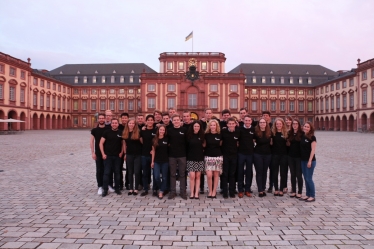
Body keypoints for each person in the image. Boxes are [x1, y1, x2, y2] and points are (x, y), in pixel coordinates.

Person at [99, 118, 124, 197]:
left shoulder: (121, 132)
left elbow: (123, 143)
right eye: (113, 123)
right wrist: (103, 154)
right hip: (108, 156)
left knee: (117, 173)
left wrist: (122, 152)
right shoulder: (106, 132)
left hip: (117, 156)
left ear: (118, 124)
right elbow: (101, 143)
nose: (114, 124)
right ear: (111, 124)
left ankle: (117, 189)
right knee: (106, 173)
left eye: (115, 123)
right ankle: (105, 190)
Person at [90, 113, 114, 195]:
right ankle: (100, 186)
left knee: (109, 170)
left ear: (105, 119)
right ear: (98, 119)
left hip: (108, 152)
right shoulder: (94, 130)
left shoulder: (108, 128)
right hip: (98, 153)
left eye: (102, 118)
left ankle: (109, 185)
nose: (101, 120)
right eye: (99, 118)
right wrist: (92, 152)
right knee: (99, 170)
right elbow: (91, 141)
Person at [167, 114, 187, 200]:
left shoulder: (184, 130)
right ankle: (173, 192)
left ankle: (183, 192)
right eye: (174, 120)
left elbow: (187, 142)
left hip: (182, 155)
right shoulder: (169, 130)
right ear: (172, 121)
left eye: (177, 120)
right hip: (172, 155)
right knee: (172, 174)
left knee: (182, 174)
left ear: (180, 120)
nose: (176, 121)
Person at [221, 117, 240, 198]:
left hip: (234, 156)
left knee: (232, 174)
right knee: (225, 174)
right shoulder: (223, 131)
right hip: (225, 156)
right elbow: (220, 143)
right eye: (230, 124)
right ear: (227, 124)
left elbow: (239, 143)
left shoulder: (238, 132)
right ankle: (225, 192)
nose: (231, 125)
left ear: (235, 124)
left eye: (233, 124)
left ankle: (231, 191)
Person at [253, 117, 272, 197]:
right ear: (259, 124)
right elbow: (252, 141)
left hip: (268, 154)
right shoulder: (256, 132)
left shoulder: (270, 132)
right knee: (259, 171)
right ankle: (260, 190)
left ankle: (263, 188)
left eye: (264, 122)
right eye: (261, 122)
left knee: (265, 171)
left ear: (266, 123)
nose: (262, 124)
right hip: (258, 154)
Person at [122, 119, 142, 196]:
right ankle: (131, 188)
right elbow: (124, 144)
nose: (131, 124)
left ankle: (136, 188)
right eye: (130, 123)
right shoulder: (125, 133)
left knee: (136, 172)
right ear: (128, 124)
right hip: (129, 154)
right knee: (130, 172)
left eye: (133, 123)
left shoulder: (138, 133)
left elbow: (142, 142)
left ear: (135, 124)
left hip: (138, 154)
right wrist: (125, 153)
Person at [186, 121, 205, 199]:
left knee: (198, 176)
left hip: (199, 158)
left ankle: (196, 193)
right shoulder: (189, 136)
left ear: (200, 127)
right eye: (195, 126)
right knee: (192, 176)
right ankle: (192, 193)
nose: (196, 128)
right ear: (192, 127)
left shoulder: (202, 136)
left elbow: (204, 146)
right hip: (191, 158)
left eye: (198, 126)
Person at [204, 119, 222, 198]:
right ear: (209, 126)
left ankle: (214, 191)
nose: (212, 126)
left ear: (216, 126)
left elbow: (222, 145)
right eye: (211, 125)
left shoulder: (220, 135)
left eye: (214, 125)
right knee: (209, 175)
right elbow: (204, 145)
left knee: (216, 175)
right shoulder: (206, 135)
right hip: (208, 157)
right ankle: (210, 190)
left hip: (217, 157)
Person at [237, 114, 255, 198]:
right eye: (246, 120)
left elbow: (255, 140)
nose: (247, 122)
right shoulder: (239, 129)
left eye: (249, 120)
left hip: (250, 154)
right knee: (240, 172)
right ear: (243, 121)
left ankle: (247, 189)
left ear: (251, 121)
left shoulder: (253, 129)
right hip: (241, 153)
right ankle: (240, 190)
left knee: (249, 172)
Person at [270, 118, 288, 196]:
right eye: (277, 124)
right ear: (275, 125)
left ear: (283, 124)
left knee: (283, 173)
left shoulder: (286, 133)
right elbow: (270, 144)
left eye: (280, 124)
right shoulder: (273, 133)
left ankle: (281, 189)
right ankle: (276, 189)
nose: (278, 125)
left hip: (284, 155)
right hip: (275, 155)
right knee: (275, 173)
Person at [299, 121, 317, 202]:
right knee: (306, 178)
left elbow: (313, 150)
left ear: (310, 128)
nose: (306, 128)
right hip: (302, 160)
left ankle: (312, 196)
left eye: (307, 127)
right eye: (305, 126)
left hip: (310, 161)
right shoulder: (302, 136)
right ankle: (307, 194)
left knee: (309, 178)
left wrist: (309, 161)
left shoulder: (312, 137)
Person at [139, 115, 157, 196]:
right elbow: (141, 140)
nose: (150, 121)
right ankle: (145, 189)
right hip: (144, 154)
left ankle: (155, 189)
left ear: (153, 121)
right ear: (146, 121)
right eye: (148, 120)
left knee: (155, 173)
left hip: (154, 155)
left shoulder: (156, 130)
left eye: (151, 120)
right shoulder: (143, 130)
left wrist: (153, 150)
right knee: (145, 173)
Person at [151, 125, 169, 199]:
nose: (162, 131)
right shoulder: (155, 139)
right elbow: (153, 151)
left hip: (165, 161)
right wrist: (152, 161)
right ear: (158, 131)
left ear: (165, 131)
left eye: (163, 130)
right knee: (156, 177)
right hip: (157, 161)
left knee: (164, 178)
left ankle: (161, 192)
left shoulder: (167, 139)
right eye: (160, 130)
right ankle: (162, 188)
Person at [287, 118, 303, 198]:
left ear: (299, 125)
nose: (295, 125)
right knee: (292, 174)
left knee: (299, 175)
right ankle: (293, 190)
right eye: (293, 124)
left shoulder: (302, 133)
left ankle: (299, 191)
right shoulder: (289, 133)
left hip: (299, 157)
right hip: (291, 156)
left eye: (296, 124)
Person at [118, 112, 129, 190]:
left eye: (126, 118)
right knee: (119, 168)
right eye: (123, 118)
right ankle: (120, 184)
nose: (124, 119)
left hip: (129, 150)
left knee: (129, 168)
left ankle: (127, 183)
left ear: (128, 118)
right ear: (121, 119)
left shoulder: (131, 126)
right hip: (119, 151)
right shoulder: (118, 127)